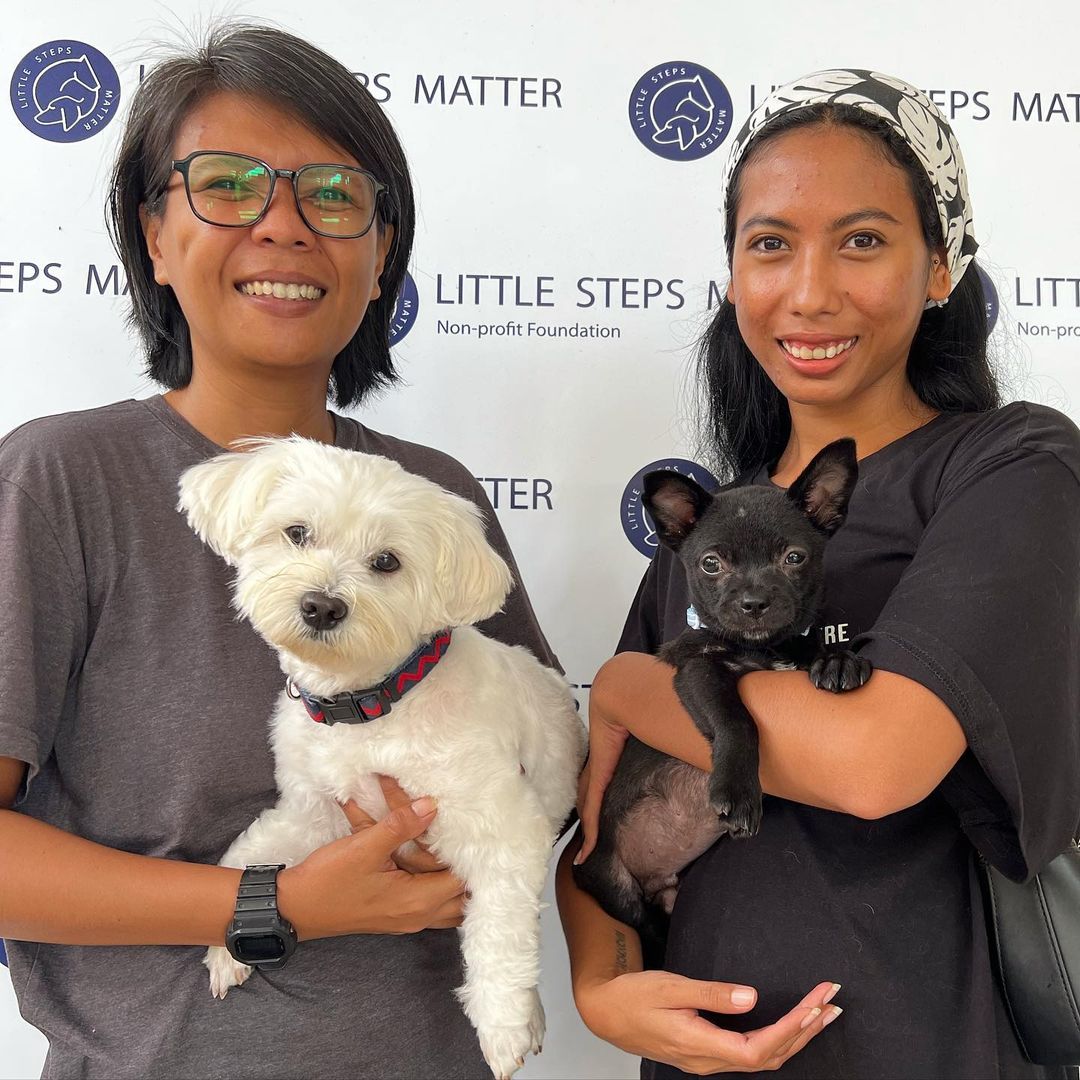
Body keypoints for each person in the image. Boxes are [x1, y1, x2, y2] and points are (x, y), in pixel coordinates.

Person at [0, 23, 559, 1080]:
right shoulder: (59, 480)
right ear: (154, 235)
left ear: (382, 248)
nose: (285, 228)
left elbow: (540, 769)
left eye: (334, 196)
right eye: (227, 185)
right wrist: (273, 901)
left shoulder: (435, 499)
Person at [560, 68, 1080, 1079]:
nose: (809, 290)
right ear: (733, 276)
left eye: (863, 240)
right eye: (770, 245)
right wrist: (600, 992)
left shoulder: (1010, 465)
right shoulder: (715, 528)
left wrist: (631, 686)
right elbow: (600, 830)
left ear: (941, 267)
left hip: (936, 1047)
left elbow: (875, 766)